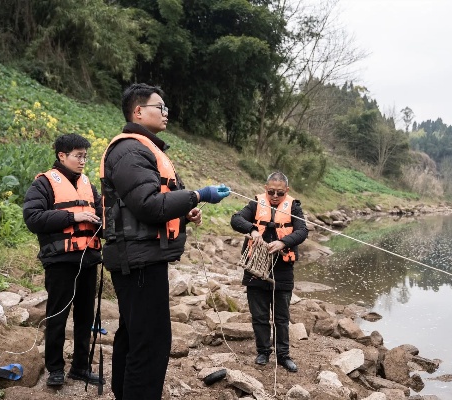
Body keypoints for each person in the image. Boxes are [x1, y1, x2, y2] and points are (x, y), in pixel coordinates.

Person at [100, 83, 230, 400]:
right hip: (139, 261)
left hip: (141, 257)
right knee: (151, 342)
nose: (166, 113)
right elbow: (147, 204)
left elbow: (146, 206)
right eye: (161, 107)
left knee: (135, 334)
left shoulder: (142, 149)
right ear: (138, 111)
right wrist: (199, 194)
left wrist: (185, 213)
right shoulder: (130, 150)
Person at [23, 133, 103, 387]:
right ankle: (55, 368)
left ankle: (80, 367)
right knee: (57, 315)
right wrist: (74, 217)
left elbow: (102, 213)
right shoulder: (43, 184)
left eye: (85, 157)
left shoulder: (88, 185)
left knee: (85, 317)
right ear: (62, 156)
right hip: (60, 261)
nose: (82, 162)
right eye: (78, 156)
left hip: (88, 260)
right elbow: (33, 218)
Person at [230, 171, 308, 373]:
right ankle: (263, 351)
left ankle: (283, 355)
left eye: (279, 193)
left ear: (286, 191)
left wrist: (283, 241)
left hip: (282, 269)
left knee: (281, 317)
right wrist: (253, 230)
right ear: (266, 189)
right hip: (255, 267)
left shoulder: (294, 207)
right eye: (271, 191)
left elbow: (302, 231)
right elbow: (236, 219)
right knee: (259, 315)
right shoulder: (255, 204)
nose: (275, 196)